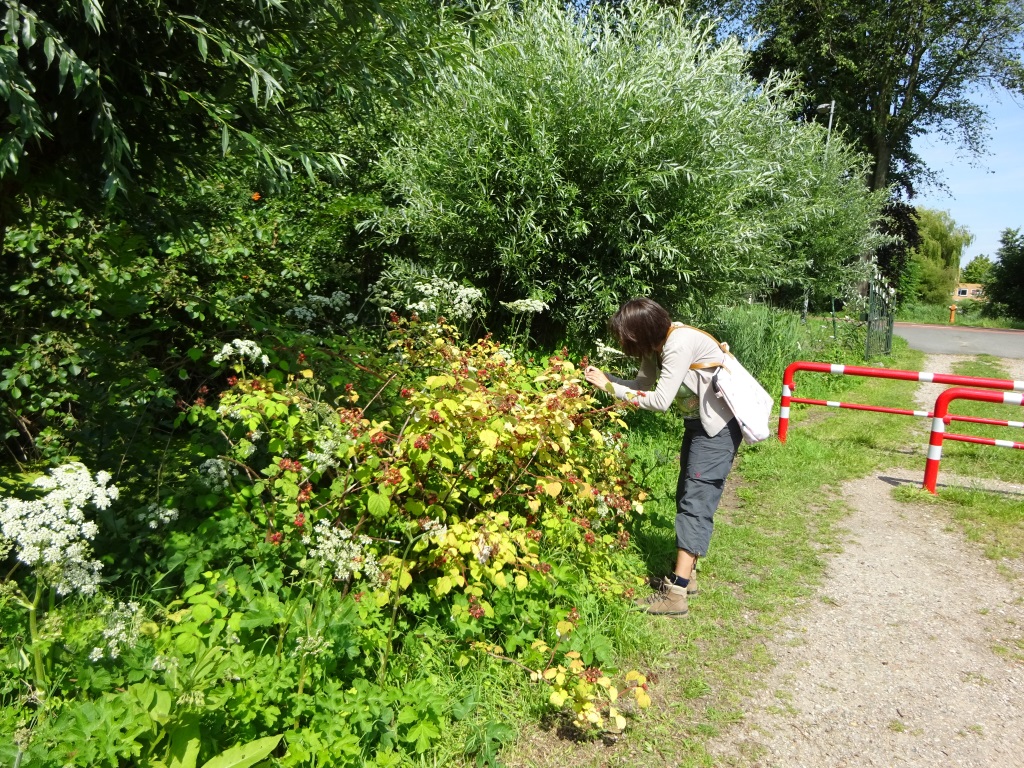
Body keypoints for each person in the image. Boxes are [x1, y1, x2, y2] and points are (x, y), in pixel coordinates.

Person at [584, 298, 742, 616]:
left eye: (627, 338)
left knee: (695, 502)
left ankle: (676, 595)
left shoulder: (677, 344)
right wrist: (607, 381)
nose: (625, 345)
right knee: (686, 494)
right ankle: (687, 577)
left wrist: (611, 389)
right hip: (699, 423)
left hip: (719, 429)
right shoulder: (656, 346)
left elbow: (659, 401)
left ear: (642, 333)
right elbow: (642, 384)